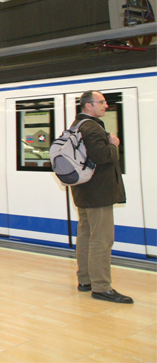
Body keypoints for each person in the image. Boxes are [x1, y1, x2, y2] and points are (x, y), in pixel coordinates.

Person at [71, 91, 132, 304]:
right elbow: (101, 156)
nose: (106, 105)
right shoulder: (92, 127)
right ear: (89, 106)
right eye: (102, 102)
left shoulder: (76, 126)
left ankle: (85, 280)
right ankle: (102, 287)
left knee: (86, 236)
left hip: (83, 191)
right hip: (98, 193)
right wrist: (114, 144)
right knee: (102, 239)